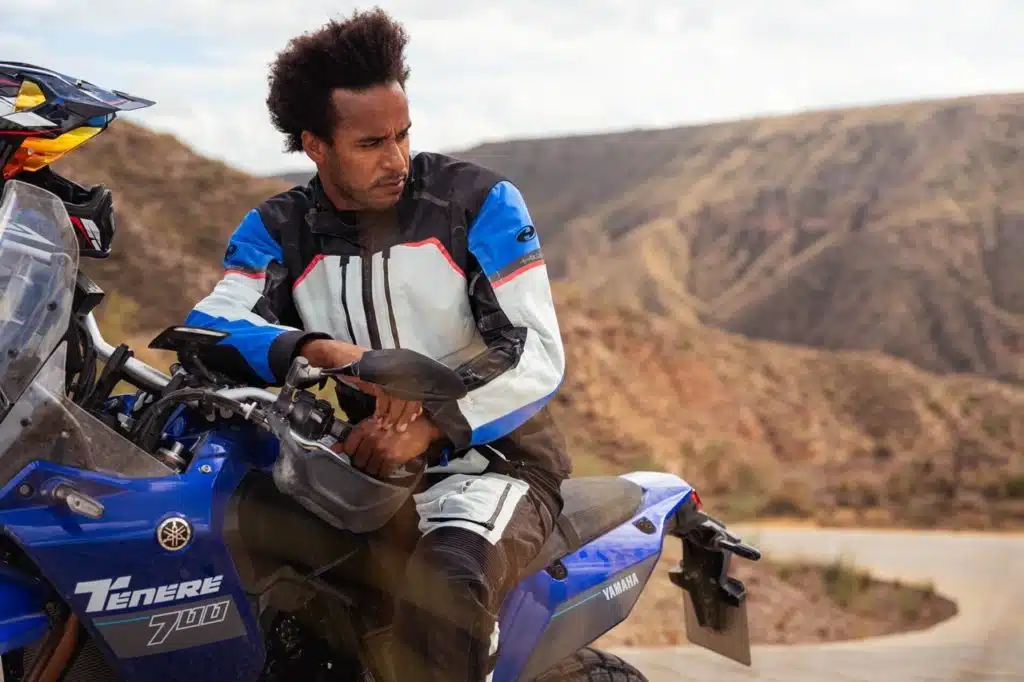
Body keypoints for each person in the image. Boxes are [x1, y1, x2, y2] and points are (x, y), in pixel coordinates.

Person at [182, 8, 570, 682]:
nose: (396, 159)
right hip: (363, 474)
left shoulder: (478, 203)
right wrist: (320, 349)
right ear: (316, 145)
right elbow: (208, 326)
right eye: (370, 143)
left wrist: (430, 426)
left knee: (444, 592)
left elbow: (535, 351)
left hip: (494, 465)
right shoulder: (279, 230)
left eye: (403, 134)